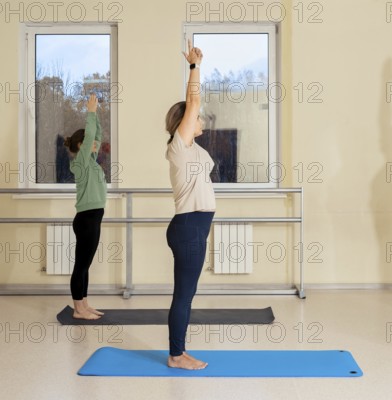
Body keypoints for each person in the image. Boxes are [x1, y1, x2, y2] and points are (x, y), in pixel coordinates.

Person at [164, 40, 215, 370]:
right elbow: (193, 101)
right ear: (185, 121)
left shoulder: (193, 148)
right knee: (183, 295)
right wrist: (194, 67)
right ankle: (176, 355)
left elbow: (196, 105)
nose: (200, 117)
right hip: (188, 230)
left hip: (194, 229)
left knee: (186, 293)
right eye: (195, 116)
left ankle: (177, 352)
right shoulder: (179, 147)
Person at [63, 94, 106, 320]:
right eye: (90, 143)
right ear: (81, 145)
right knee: (81, 265)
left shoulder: (92, 161)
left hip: (94, 218)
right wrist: (89, 113)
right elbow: (91, 137)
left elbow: (95, 134)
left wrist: (96, 113)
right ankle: (78, 309)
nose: (96, 144)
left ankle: (85, 304)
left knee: (86, 265)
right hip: (86, 219)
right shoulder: (80, 162)